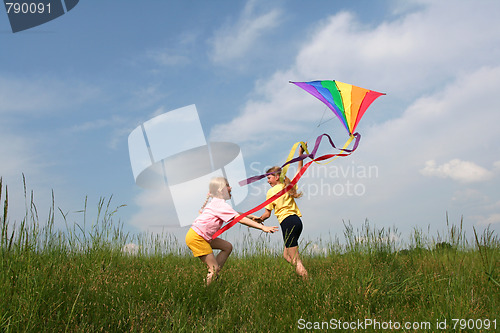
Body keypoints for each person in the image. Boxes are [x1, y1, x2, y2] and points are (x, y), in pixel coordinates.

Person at [185, 177, 278, 285]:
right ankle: (208, 284)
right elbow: (239, 218)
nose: (231, 188)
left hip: (201, 235)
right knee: (214, 269)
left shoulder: (218, 203)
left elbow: (236, 213)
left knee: (227, 247)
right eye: (228, 185)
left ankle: (214, 273)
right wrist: (262, 227)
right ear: (221, 190)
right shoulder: (220, 204)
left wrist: (252, 217)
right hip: (197, 237)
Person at [257, 145, 309, 279]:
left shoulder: (271, 192)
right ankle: (301, 273)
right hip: (297, 221)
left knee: (296, 259)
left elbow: (267, 214)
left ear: (276, 177)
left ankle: (307, 281)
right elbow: (299, 171)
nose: (268, 181)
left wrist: (259, 220)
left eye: (269, 178)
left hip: (287, 223)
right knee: (286, 256)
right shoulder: (288, 186)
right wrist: (300, 153)